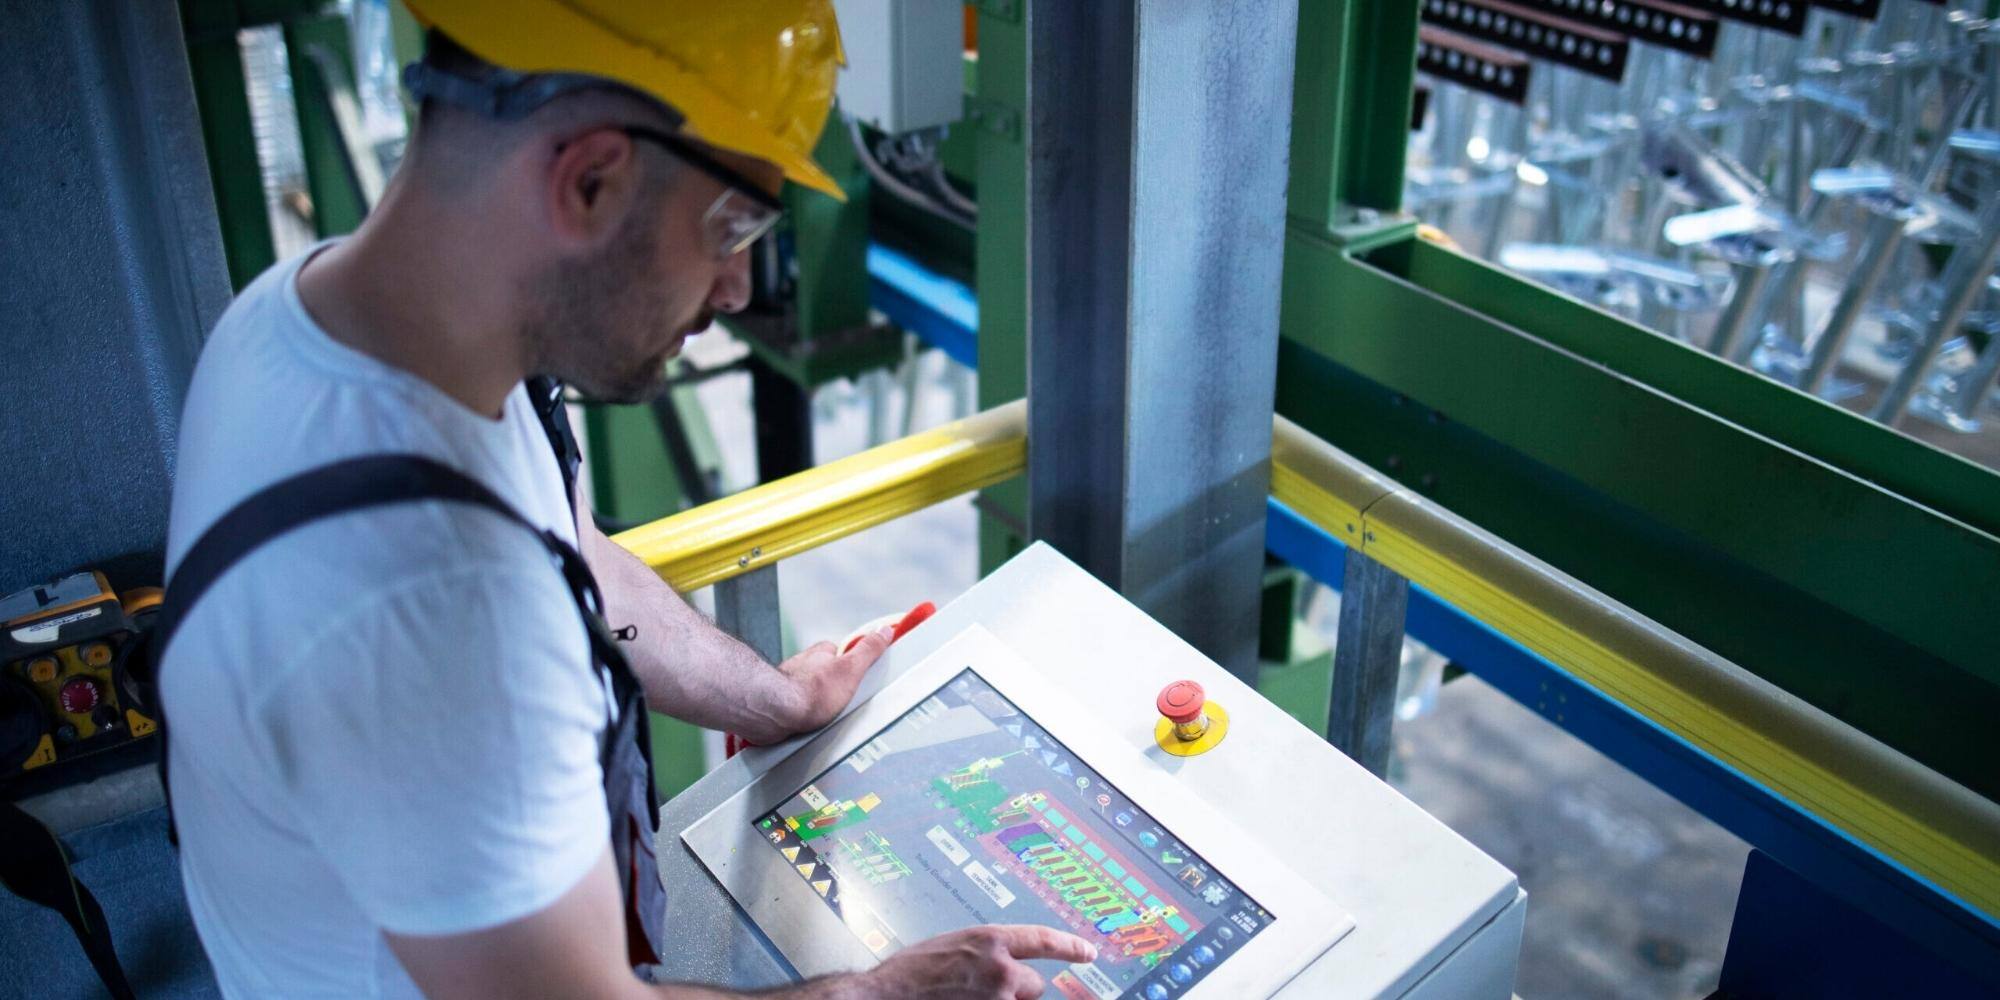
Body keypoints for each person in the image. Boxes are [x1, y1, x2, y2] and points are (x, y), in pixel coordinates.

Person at [158, 2, 1092, 998]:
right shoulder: (429, 613)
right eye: (731, 223)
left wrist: (773, 698)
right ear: (591, 179)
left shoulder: (318, 323)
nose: (736, 286)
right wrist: (879, 992)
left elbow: (577, 556)